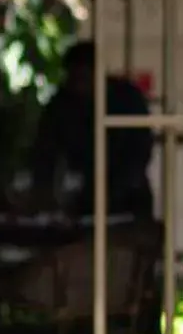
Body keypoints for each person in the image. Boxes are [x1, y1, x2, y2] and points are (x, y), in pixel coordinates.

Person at [32, 41, 154, 217]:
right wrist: (44, 192)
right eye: (73, 78)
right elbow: (45, 150)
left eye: (83, 77)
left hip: (128, 195)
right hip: (86, 194)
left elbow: (140, 148)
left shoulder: (126, 98)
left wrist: (118, 187)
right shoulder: (62, 103)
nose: (78, 86)